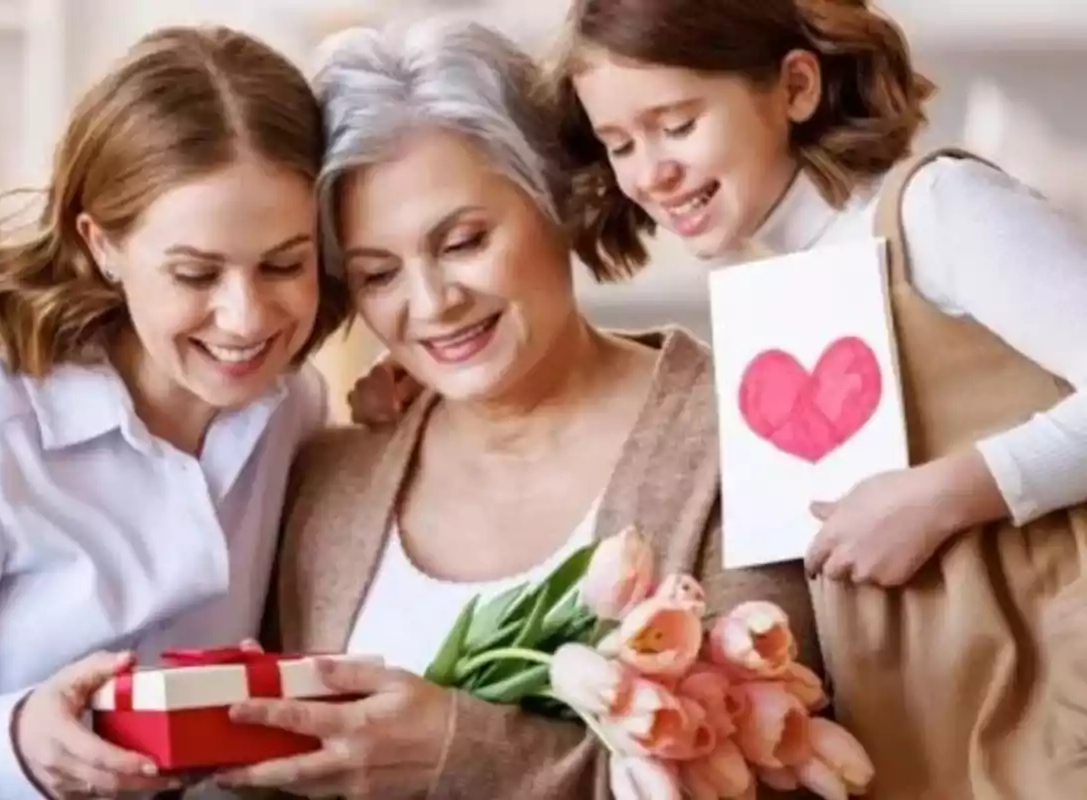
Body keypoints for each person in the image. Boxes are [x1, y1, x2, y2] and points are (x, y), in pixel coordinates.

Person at [216, 20, 822, 800]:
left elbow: (771, 774)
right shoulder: (328, 479)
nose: (432, 304)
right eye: (377, 275)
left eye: (464, 241)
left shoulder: (744, 437)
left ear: (556, 199)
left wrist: (465, 752)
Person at [543, 0, 1087, 797]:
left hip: (1048, 693)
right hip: (924, 716)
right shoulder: (769, 290)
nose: (649, 172)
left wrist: (946, 495)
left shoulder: (937, 209)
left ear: (795, 87)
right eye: (619, 143)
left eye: (678, 124)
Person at [0, 25, 348, 800]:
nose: (244, 319)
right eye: (195, 272)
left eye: (284, 264)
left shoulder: (292, 408)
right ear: (102, 245)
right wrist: (16, 746)